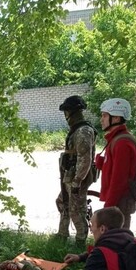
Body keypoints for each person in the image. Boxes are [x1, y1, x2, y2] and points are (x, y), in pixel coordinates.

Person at [56, 95, 97, 246]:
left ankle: (80, 241)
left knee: (76, 210)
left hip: (77, 178)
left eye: (66, 112)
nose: (65, 115)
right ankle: (62, 234)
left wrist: (77, 181)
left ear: (72, 112)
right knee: (62, 202)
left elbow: (85, 159)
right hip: (70, 175)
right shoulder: (78, 130)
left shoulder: (83, 131)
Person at [95, 98, 136, 228]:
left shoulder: (122, 143)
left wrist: (108, 206)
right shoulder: (115, 139)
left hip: (119, 203)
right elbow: (115, 168)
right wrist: (102, 163)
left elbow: (120, 179)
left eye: (104, 116)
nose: (101, 120)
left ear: (116, 118)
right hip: (116, 202)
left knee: (117, 238)